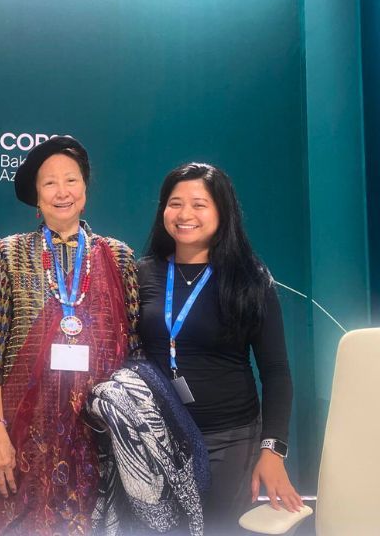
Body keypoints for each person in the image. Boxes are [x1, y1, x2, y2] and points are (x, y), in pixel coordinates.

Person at [0, 137, 140, 535]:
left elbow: (134, 353)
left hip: (100, 433)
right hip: (24, 435)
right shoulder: (10, 253)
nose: (62, 192)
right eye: (50, 183)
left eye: (71, 180)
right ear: (36, 198)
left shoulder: (118, 256)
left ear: (85, 189)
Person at [138, 162, 304, 533]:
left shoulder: (250, 279)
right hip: (156, 439)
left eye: (199, 204)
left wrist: (272, 450)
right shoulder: (143, 273)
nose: (185, 215)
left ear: (221, 212)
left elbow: (276, 373)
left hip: (229, 438)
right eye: (175, 203)